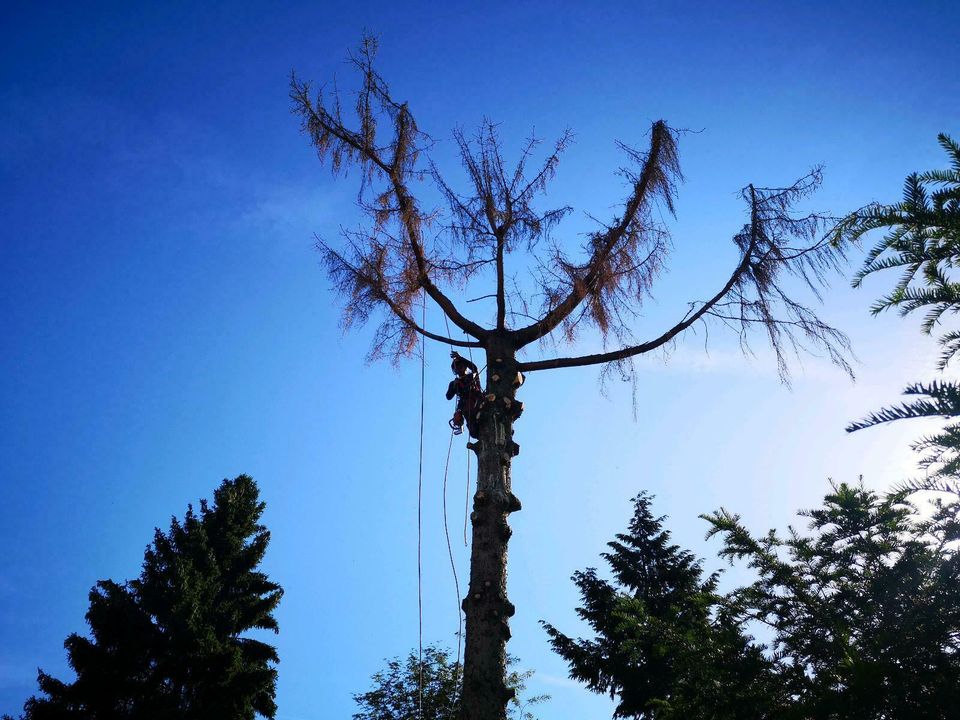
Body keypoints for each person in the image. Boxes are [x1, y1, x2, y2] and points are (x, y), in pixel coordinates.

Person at [446, 352, 482, 438]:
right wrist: (454, 387)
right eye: (457, 368)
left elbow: (475, 368)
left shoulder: (472, 376)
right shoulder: (454, 383)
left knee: (481, 419)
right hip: (465, 406)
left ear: (465, 366)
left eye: (460, 366)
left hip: (477, 400)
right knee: (474, 432)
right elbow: (448, 396)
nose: (459, 369)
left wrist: (460, 358)